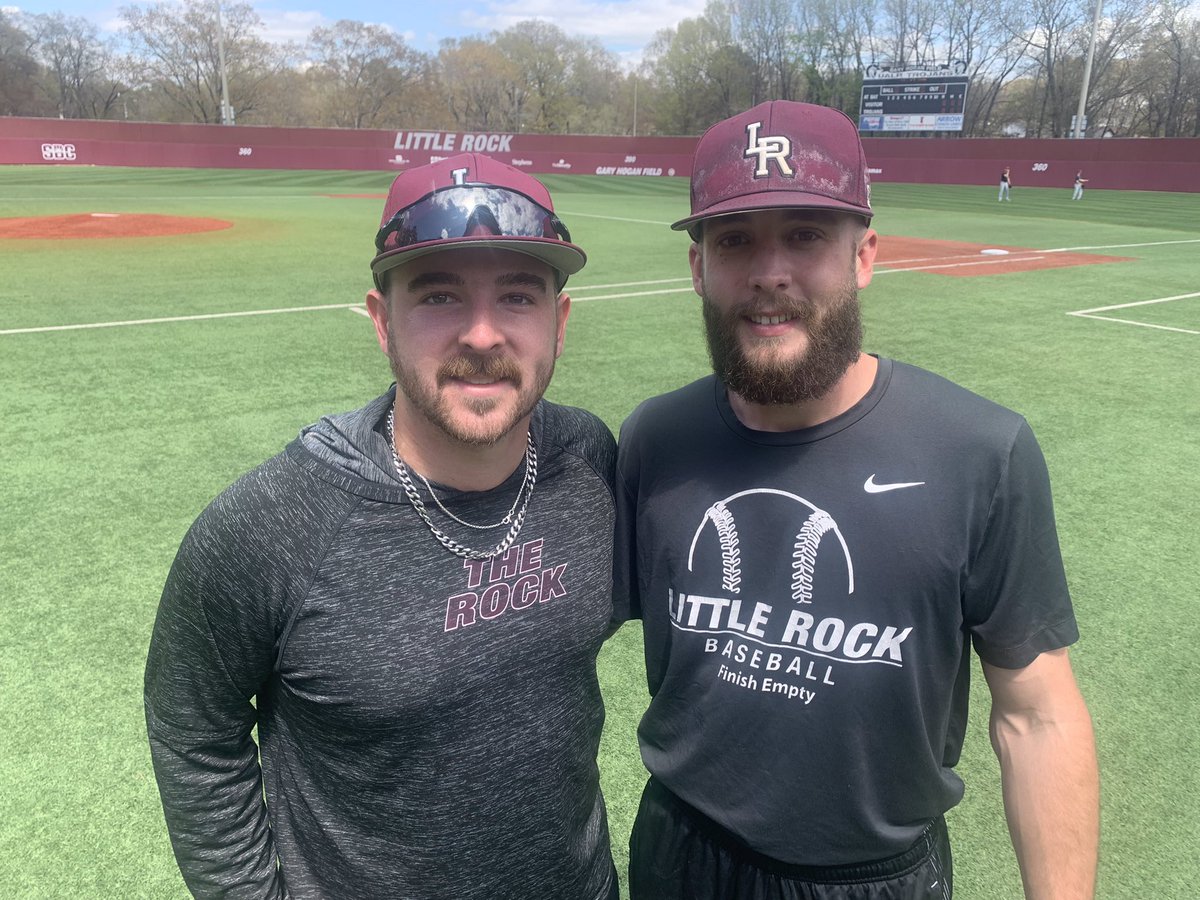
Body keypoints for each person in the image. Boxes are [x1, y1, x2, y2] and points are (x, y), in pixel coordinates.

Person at [614, 100, 1099, 900]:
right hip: (679, 854)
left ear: (864, 254)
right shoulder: (656, 439)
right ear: (699, 267)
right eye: (735, 240)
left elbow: (1036, 716)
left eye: (805, 234)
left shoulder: (979, 450)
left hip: (874, 878)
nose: (770, 273)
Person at [145, 153, 620, 900]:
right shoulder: (273, 523)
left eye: (519, 296)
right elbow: (193, 734)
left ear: (558, 321)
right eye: (438, 296)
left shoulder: (589, 460)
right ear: (381, 320)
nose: (485, 335)